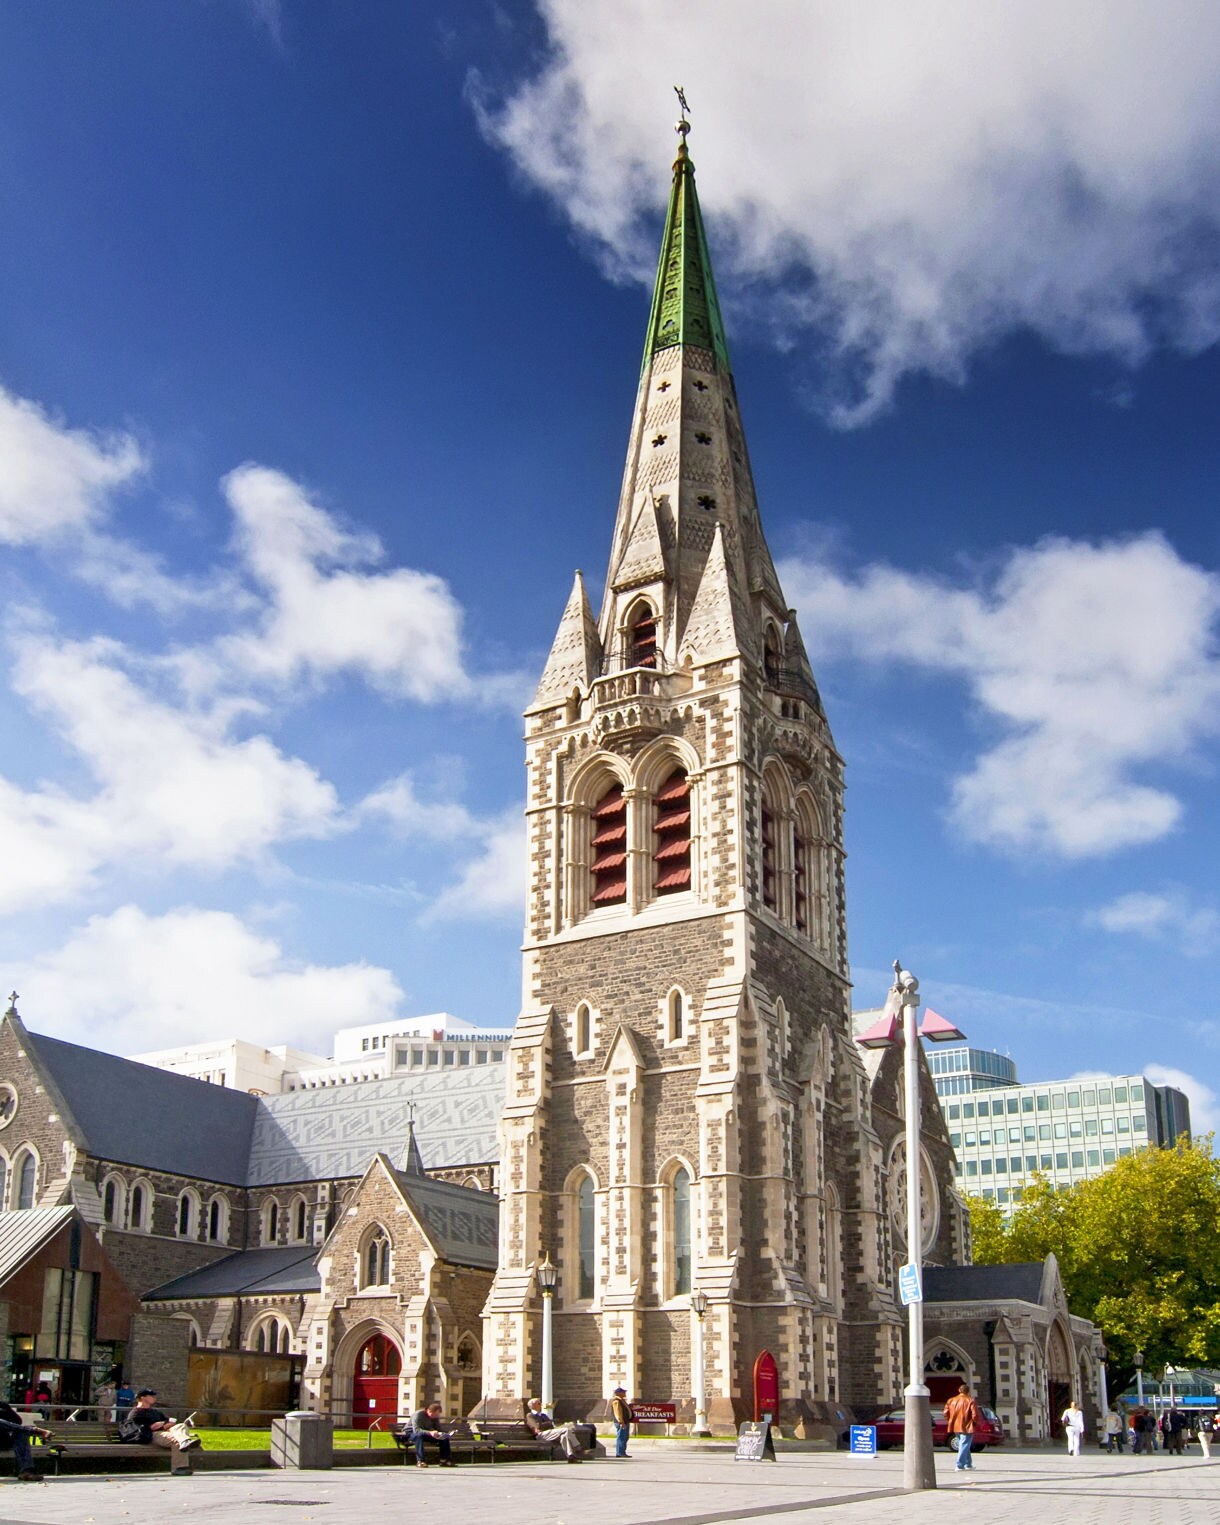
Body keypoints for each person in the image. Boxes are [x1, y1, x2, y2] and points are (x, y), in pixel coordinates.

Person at [118, 1389, 199, 1450]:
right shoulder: (135, 1413)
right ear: (143, 1398)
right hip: (151, 1435)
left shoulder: (154, 1411)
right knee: (176, 1440)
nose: (154, 1398)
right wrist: (150, 1427)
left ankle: (185, 1441)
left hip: (163, 1432)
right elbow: (135, 1430)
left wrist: (167, 1425)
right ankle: (180, 1466)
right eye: (151, 1396)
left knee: (181, 1425)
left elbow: (165, 1421)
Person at [0, 1401, 51, 1482]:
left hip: (3, 1441)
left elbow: (18, 1421)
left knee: (20, 1434)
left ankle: (26, 1472)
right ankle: (35, 1430)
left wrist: (4, 1414)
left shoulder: (2, 1405)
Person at [525, 1397, 584, 1461]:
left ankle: (570, 1456)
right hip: (541, 1435)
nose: (541, 1404)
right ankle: (578, 1448)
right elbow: (537, 1426)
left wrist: (546, 1424)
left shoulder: (543, 1415)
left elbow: (550, 1426)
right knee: (566, 1430)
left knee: (564, 1436)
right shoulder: (530, 1415)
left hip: (550, 1433)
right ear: (533, 1406)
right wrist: (548, 1423)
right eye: (539, 1403)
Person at [943, 1383, 981, 1473]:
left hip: (956, 1425)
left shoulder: (951, 1400)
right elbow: (975, 1415)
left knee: (963, 1444)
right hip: (967, 1426)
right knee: (964, 1445)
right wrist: (974, 1423)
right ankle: (959, 1465)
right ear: (968, 1391)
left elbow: (945, 1413)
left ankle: (968, 1464)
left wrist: (950, 1420)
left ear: (959, 1390)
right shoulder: (970, 1400)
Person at [410, 1402, 454, 1467]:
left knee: (444, 1438)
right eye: (435, 1415)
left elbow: (438, 1428)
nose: (436, 1417)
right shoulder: (418, 1414)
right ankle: (420, 1461)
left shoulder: (434, 1417)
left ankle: (444, 1460)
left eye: (438, 1415)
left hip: (427, 1434)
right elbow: (416, 1430)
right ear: (429, 1411)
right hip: (411, 1434)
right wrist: (430, 1432)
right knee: (418, 1436)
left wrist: (444, 1433)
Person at [609, 1387, 633, 1458]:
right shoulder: (617, 1401)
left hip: (625, 1421)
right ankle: (620, 1452)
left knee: (625, 1437)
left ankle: (622, 1452)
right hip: (621, 1422)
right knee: (621, 1437)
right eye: (623, 1392)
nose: (625, 1393)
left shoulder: (621, 1400)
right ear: (618, 1393)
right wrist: (621, 1422)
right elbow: (618, 1413)